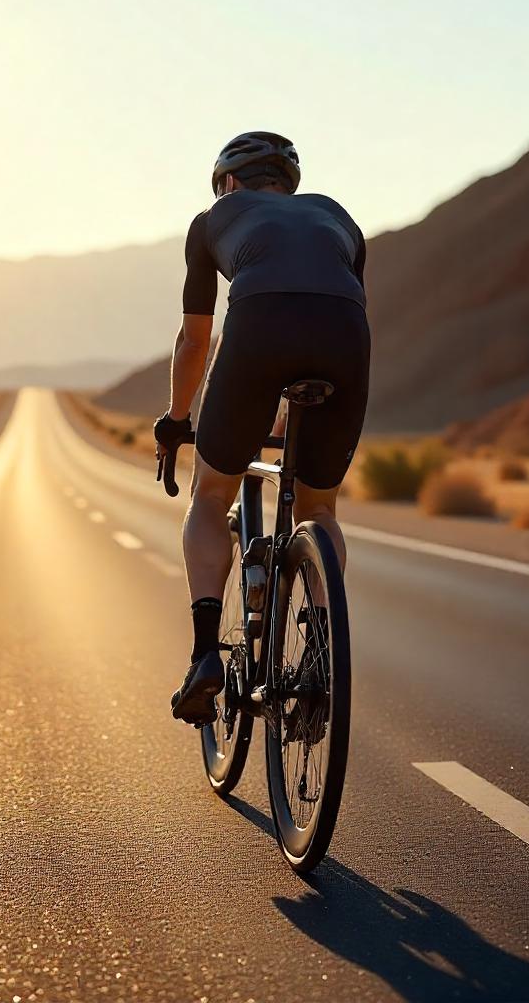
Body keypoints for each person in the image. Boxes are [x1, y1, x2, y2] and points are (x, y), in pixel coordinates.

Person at [153, 131, 370, 726]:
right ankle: (322, 657)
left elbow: (196, 338)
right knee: (320, 511)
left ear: (227, 182)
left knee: (211, 492)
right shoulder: (338, 218)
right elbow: (332, 307)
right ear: (288, 184)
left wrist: (177, 421)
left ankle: (204, 657)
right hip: (346, 340)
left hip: (259, 329)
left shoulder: (212, 219)